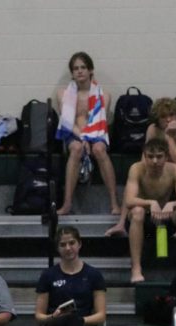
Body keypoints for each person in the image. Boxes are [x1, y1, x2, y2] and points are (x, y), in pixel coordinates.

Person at [125, 136, 176, 284]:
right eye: (150, 157)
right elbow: (129, 200)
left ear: (166, 157)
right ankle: (136, 269)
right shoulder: (136, 169)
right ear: (145, 156)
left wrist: (172, 204)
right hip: (143, 220)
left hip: (164, 220)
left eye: (159, 157)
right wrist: (150, 203)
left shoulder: (174, 170)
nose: (154, 161)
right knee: (137, 212)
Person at [55, 52, 119, 223]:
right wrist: (83, 139)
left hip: (96, 133)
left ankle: (114, 202)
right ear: (72, 73)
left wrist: (89, 139)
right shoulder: (63, 94)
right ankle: (67, 203)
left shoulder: (104, 95)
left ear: (91, 70)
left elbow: (99, 122)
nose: (80, 71)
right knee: (76, 149)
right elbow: (67, 122)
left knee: (99, 149)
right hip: (74, 134)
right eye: (76, 68)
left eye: (83, 67)